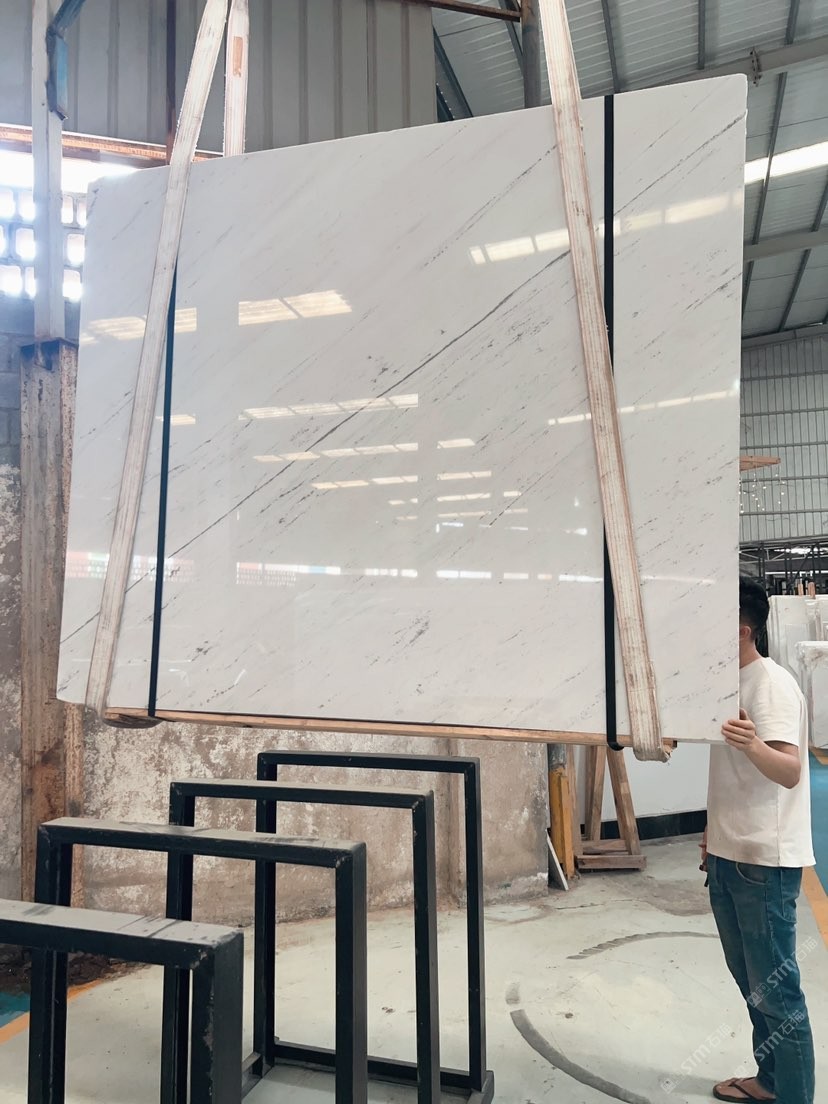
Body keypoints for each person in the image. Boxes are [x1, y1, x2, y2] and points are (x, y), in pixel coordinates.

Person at [702, 575, 815, 1104]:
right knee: (753, 983)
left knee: (777, 993)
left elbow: (790, 771)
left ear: (743, 630)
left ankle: (793, 1094)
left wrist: (752, 745)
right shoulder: (729, 685)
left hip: (763, 862)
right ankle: (771, 1082)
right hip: (731, 853)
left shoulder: (770, 684)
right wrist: (712, 834)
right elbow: (731, 775)